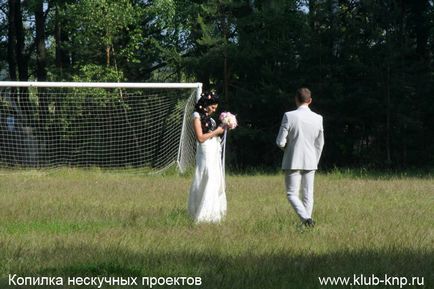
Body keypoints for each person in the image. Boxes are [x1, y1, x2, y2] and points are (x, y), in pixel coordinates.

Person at [276, 87, 324, 227]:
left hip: (292, 160)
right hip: (311, 160)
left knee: (292, 194)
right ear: (310, 100)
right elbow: (320, 143)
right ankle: (307, 223)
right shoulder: (318, 118)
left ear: (296, 99)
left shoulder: (289, 116)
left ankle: (306, 220)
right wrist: (315, 159)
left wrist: (287, 148)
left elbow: (280, 141)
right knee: (308, 194)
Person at [188, 91, 227, 223]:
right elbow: (200, 138)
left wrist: (224, 128)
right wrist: (217, 131)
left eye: (216, 108)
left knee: (214, 178)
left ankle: (212, 214)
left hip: (213, 151)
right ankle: (201, 213)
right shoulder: (196, 116)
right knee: (207, 177)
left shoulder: (210, 120)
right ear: (206, 104)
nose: (214, 110)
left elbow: (213, 135)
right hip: (204, 153)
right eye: (212, 107)